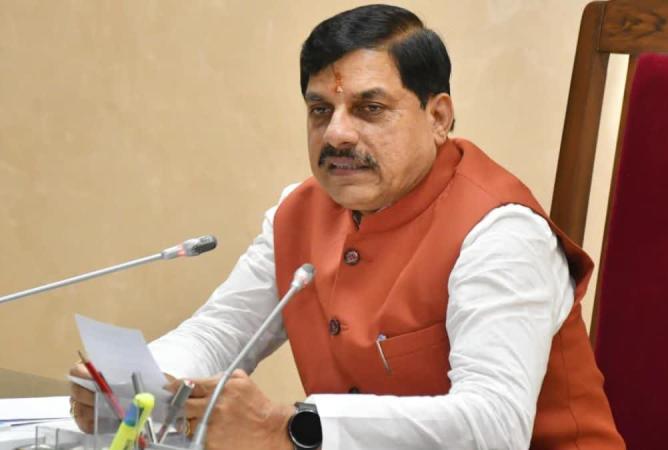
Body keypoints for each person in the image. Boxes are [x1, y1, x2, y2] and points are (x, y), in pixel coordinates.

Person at [69, 5, 625, 450]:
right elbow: (219, 335)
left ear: (438, 117)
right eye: (320, 110)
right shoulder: (298, 214)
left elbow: (494, 428)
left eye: (369, 109)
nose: (336, 134)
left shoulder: (501, 232)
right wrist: (133, 385)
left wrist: (287, 428)